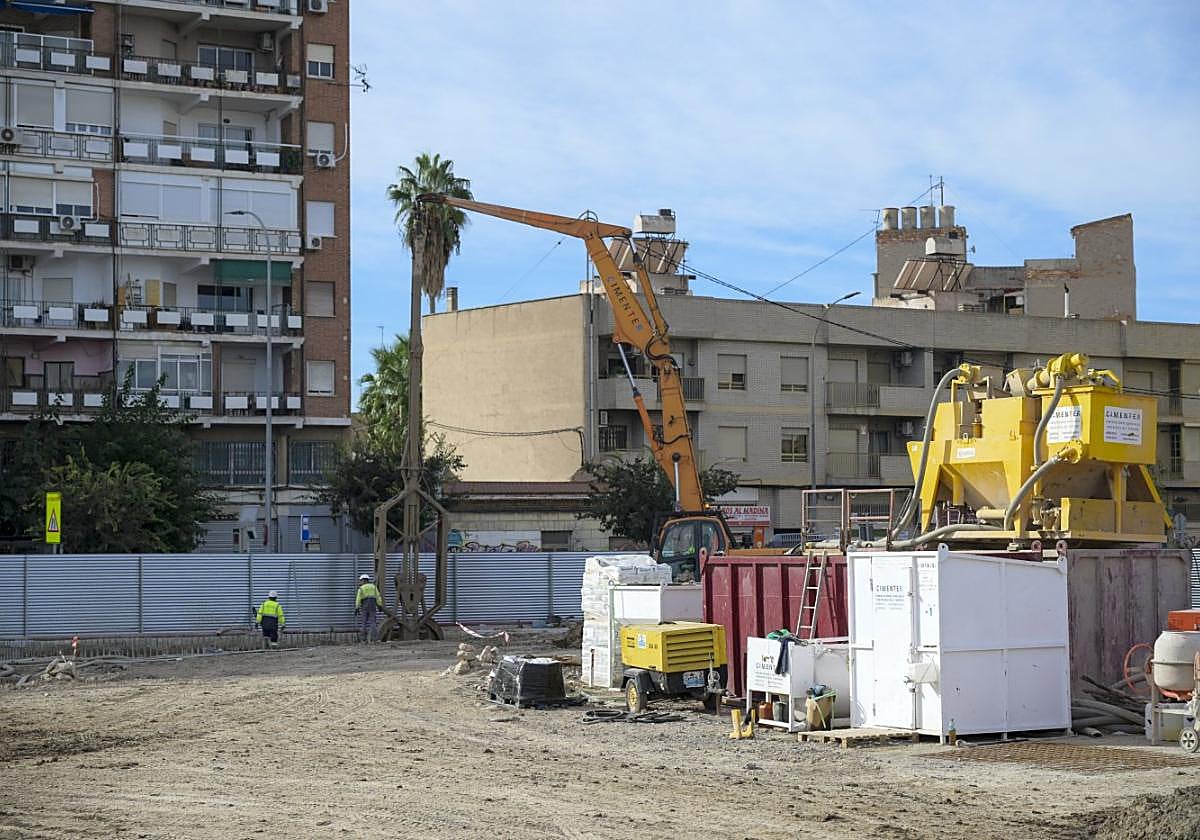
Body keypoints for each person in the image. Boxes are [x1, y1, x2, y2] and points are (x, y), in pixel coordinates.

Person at [355, 574, 382, 643]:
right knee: (373, 622)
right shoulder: (374, 587)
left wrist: (357, 608)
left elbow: (358, 599)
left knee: (364, 623)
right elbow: (378, 597)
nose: (360, 582)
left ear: (364, 580)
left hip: (364, 606)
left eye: (360, 581)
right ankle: (374, 639)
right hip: (372, 606)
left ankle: (363, 639)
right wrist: (380, 606)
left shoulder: (361, 588)